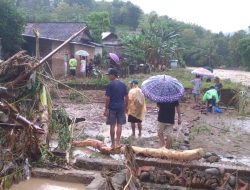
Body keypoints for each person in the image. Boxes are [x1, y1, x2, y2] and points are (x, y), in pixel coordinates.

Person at [104, 68, 128, 148]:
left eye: (109, 75)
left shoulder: (110, 85)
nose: (108, 77)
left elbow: (108, 98)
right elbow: (126, 97)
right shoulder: (123, 84)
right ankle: (118, 142)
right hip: (121, 107)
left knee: (112, 125)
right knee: (120, 125)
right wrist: (126, 107)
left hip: (112, 108)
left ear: (113, 75)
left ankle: (113, 143)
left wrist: (106, 109)